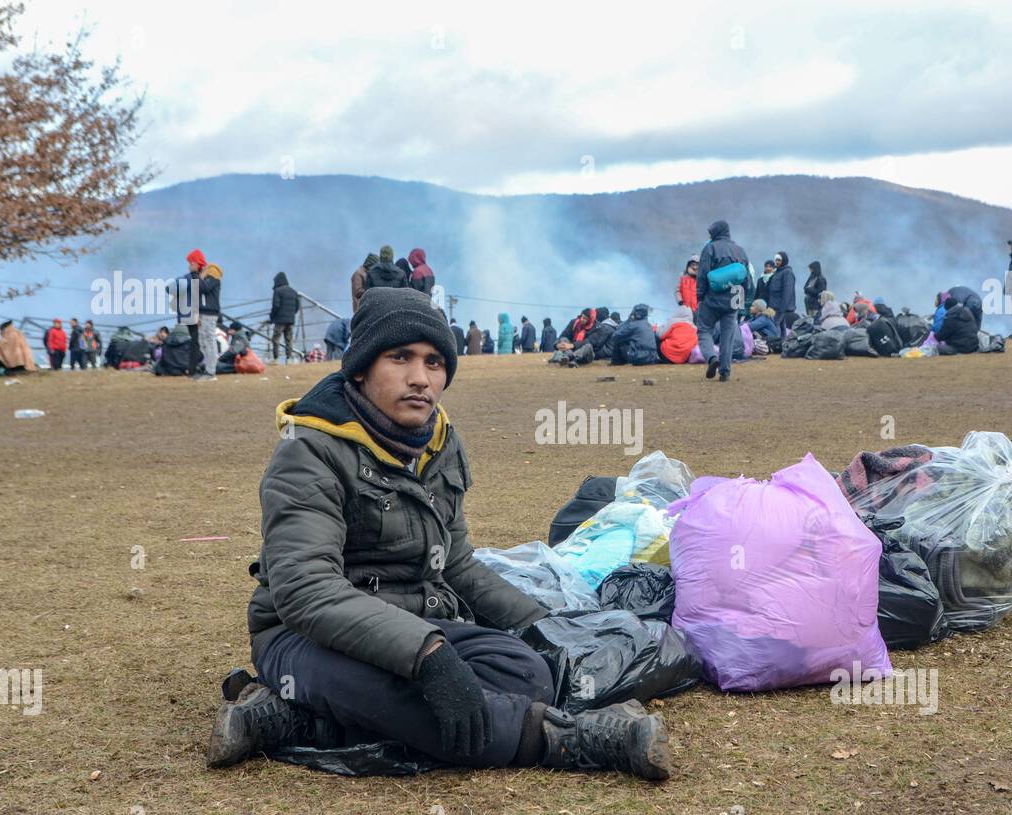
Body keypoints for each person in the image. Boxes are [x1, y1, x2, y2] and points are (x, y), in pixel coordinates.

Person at [206, 288, 671, 778]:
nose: (419, 379)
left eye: (433, 362)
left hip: (416, 625)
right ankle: (565, 740)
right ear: (361, 368)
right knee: (407, 694)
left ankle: (294, 722)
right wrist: (427, 656)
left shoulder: (438, 441)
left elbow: (457, 563)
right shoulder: (307, 452)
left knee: (528, 673)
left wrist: (545, 626)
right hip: (304, 637)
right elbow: (306, 590)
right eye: (400, 358)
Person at [695, 219, 751, 382]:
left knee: (704, 330)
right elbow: (746, 279)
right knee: (728, 335)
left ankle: (712, 358)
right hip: (733, 298)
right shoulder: (740, 251)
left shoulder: (710, 248)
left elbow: (702, 274)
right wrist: (742, 302)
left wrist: (700, 296)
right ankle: (725, 372)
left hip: (711, 299)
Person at [184, 249, 220, 380]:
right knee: (203, 342)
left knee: (209, 342)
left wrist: (194, 273)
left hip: (210, 313)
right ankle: (207, 370)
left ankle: (211, 373)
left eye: (191, 263)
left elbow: (203, 288)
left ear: (196, 263)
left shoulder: (213, 275)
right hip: (203, 313)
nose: (189, 266)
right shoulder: (202, 276)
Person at [269, 271, 301, 364]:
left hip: (279, 320)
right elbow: (297, 306)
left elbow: (276, 306)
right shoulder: (293, 291)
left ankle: (276, 359)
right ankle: (289, 358)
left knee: (276, 339)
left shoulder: (277, 291)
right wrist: (291, 314)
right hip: (290, 320)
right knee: (289, 339)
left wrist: (272, 317)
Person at [765, 251, 798, 333]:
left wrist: (781, 309)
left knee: (777, 331)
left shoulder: (787, 273)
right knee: (778, 331)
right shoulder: (776, 272)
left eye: (779, 260)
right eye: (776, 260)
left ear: (784, 261)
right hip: (773, 308)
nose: (777, 262)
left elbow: (787, 292)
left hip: (781, 310)